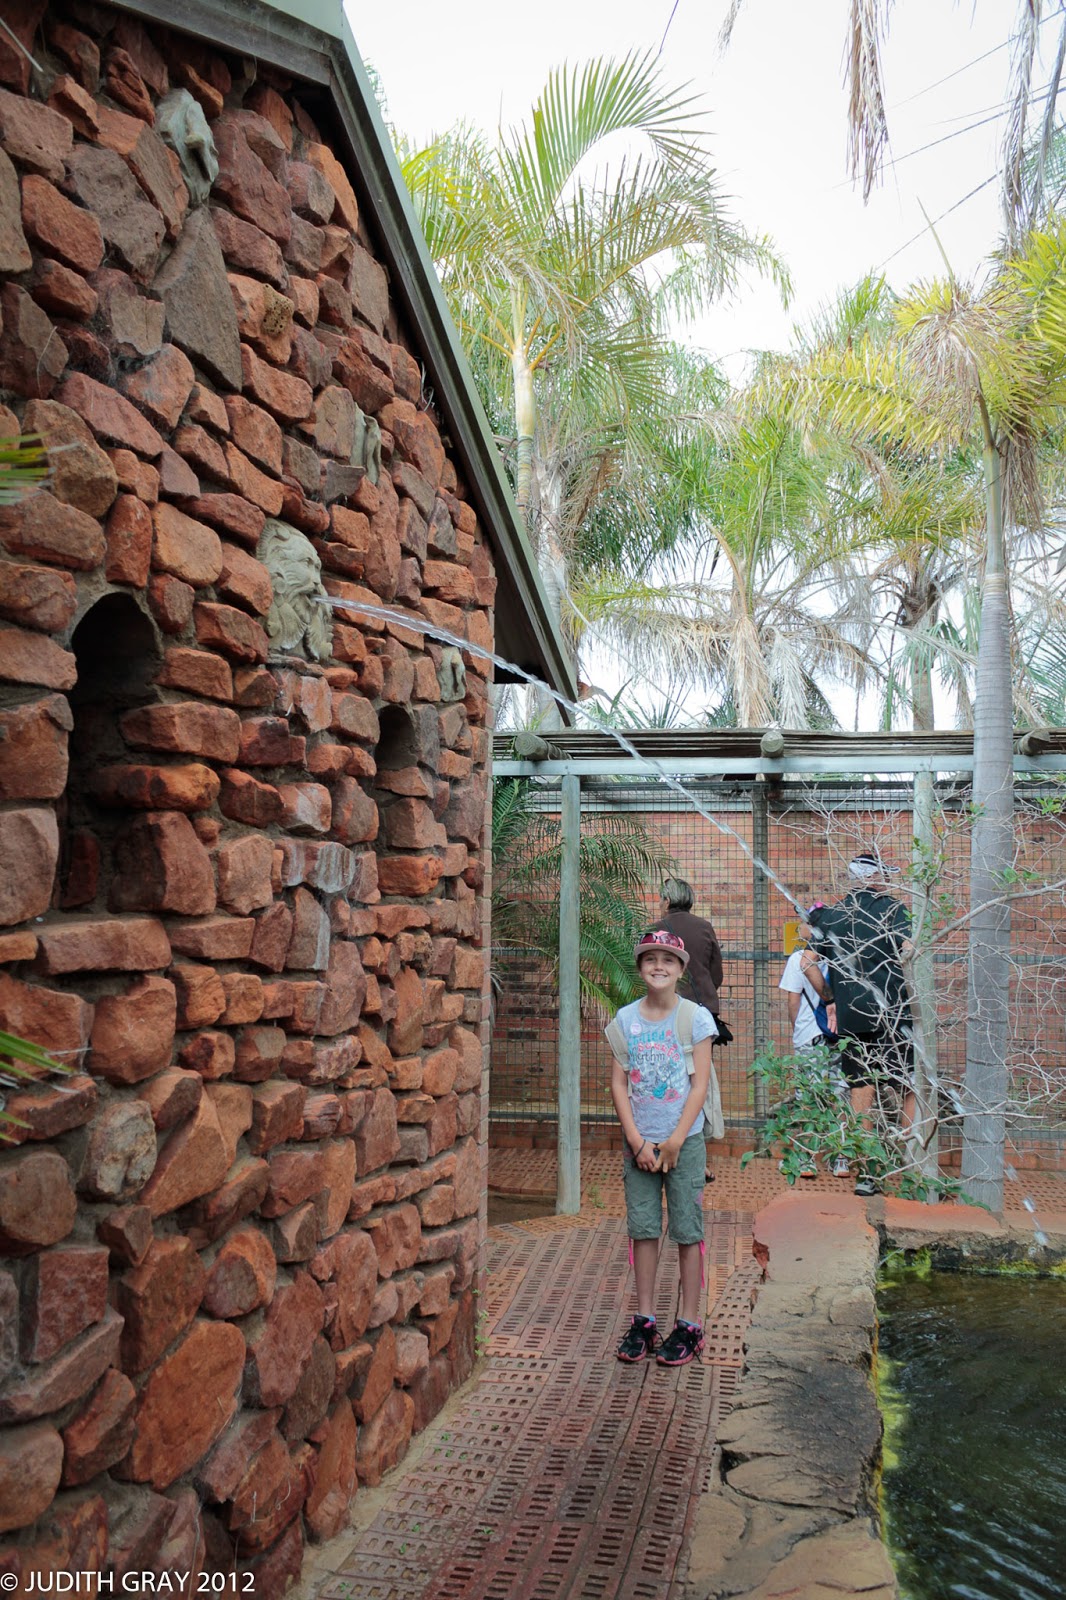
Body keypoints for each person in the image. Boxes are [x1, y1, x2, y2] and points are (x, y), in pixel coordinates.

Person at [605, 927, 718, 1366]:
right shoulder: (626, 1020)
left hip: (683, 1144)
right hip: (639, 1145)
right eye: (651, 959)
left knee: (688, 1231)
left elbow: (700, 1085)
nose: (659, 966)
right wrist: (637, 1141)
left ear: (681, 969)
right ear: (641, 968)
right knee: (643, 1230)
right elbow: (618, 1083)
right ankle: (645, 1319)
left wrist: (674, 1141)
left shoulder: (694, 1019)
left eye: (668, 960)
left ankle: (689, 1324)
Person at [807, 853, 916, 1196]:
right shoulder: (894, 910)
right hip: (893, 1014)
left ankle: (867, 1174)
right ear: (875, 877)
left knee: (861, 1090)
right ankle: (914, 1170)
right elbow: (911, 950)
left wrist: (829, 999)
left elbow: (806, 962)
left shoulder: (830, 915)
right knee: (908, 1084)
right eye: (885, 875)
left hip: (853, 1017)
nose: (887, 881)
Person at [654, 877, 726, 1181]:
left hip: (669, 1015)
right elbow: (716, 974)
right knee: (700, 1084)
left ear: (668, 901)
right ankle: (699, 1160)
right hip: (702, 1015)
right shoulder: (704, 927)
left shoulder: (657, 930)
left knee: (670, 1084)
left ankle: (668, 1150)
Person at [777, 918, 849, 1179]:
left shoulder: (799, 959)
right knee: (839, 1094)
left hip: (809, 1035)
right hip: (840, 1034)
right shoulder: (843, 957)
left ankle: (806, 1158)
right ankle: (841, 1159)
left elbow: (793, 1000)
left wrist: (798, 1030)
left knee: (808, 1096)